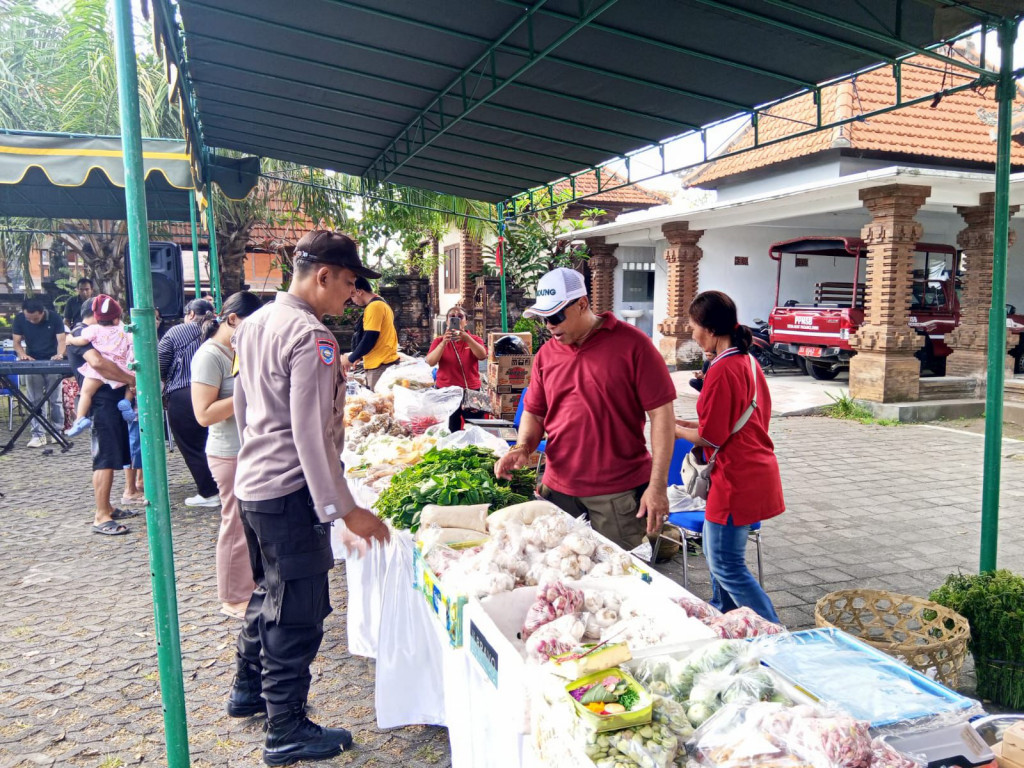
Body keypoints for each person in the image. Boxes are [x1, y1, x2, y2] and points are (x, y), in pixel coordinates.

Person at [228, 230, 390, 765]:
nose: (350, 296)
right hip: (290, 492)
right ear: (323, 275)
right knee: (296, 611)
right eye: (348, 284)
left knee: (266, 594)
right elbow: (310, 435)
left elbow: (243, 408)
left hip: (255, 485)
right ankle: (286, 729)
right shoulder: (311, 337)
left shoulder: (254, 324)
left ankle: (249, 691)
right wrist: (344, 510)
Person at [494, 268, 676, 551]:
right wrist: (521, 447)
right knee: (556, 575)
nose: (550, 326)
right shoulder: (546, 355)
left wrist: (658, 486)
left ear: (582, 304)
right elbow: (535, 411)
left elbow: (662, 415)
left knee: (618, 578)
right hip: (558, 489)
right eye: (544, 319)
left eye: (556, 317)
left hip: (617, 494)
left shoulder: (633, 345)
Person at [674, 291, 784, 622]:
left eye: (693, 327)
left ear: (708, 328)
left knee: (727, 563)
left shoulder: (722, 370)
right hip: (752, 470)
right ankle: (726, 616)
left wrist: (673, 430)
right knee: (715, 551)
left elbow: (712, 436)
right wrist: (684, 423)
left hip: (736, 478)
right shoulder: (746, 360)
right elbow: (736, 421)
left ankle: (773, 633)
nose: (692, 334)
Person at [190, 291, 263, 620]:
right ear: (232, 319)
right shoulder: (210, 355)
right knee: (234, 523)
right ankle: (232, 596)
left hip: (247, 448)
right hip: (227, 453)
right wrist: (249, 393)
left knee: (248, 522)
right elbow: (203, 414)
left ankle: (249, 586)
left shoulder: (238, 350)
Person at [67, 302, 144, 513]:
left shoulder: (106, 331)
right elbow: (98, 363)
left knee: (112, 458)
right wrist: (130, 379)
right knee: (104, 460)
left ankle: (108, 508)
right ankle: (101, 515)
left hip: (112, 399)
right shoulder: (81, 332)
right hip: (101, 403)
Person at [158, 298, 220, 507]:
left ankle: (209, 491)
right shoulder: (220, 329)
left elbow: (160, 364)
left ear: (191, 314)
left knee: (192, 446)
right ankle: (225, 485)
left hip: (184, 394)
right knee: (216, 440)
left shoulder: (177, 331)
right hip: (218, 393)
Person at [65, 295, 133, 437]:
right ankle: (127, 402)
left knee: (86, 393)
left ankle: (79, 419)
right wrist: (130, 380)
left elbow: (82, 343)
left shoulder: (93, 330)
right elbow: (97, 362)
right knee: (131, 383)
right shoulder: (123, 330)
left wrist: (70, 339)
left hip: (98, 376)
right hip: (120, 367)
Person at [12, 297, 66, 448]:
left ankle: (57, 431)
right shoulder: (20, 318)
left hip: (52, 361)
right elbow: (16, 342)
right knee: (34, 400)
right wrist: (22, 354)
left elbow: (62, 340)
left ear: (42, 313)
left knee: (55, 399)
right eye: (28, 318)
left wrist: (60, 355)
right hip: (32, 361)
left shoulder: (54, 318)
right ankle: (38, 434)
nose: (31, 321)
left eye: (34, 318)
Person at [424, 305, 487, 432]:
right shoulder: (439, 341)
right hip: (446, 390)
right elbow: (431, 361)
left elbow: (482, 356)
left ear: (466, 321)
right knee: (449, 428)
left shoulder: (475, 339)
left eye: (460, 317)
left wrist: (467, 339)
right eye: (452, 317)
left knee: (476, 429)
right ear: (447, 321)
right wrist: (444, 343)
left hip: (472, 389)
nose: (456, 319)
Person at [341, 277, 399, 390]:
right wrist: (359, 355)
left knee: (378, 404)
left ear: (359, 291)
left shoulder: (374, 306)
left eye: (352, 296)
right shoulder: (382, 303)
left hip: (379, 365)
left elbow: (370, 338)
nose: (353, 300)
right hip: (382, 363)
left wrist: (350, 359)